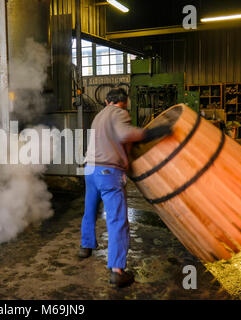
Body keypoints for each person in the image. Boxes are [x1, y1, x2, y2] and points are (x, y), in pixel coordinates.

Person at [79, 88, 172, 288]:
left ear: (106, 101)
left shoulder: (99, 115)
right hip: (108, 173)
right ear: (124, 102)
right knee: (118, 220)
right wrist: (151, 133)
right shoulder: (120, 113)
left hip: (90, 169)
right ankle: (117, 271)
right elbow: (125, 134)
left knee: (89, 210)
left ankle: (85, 247)